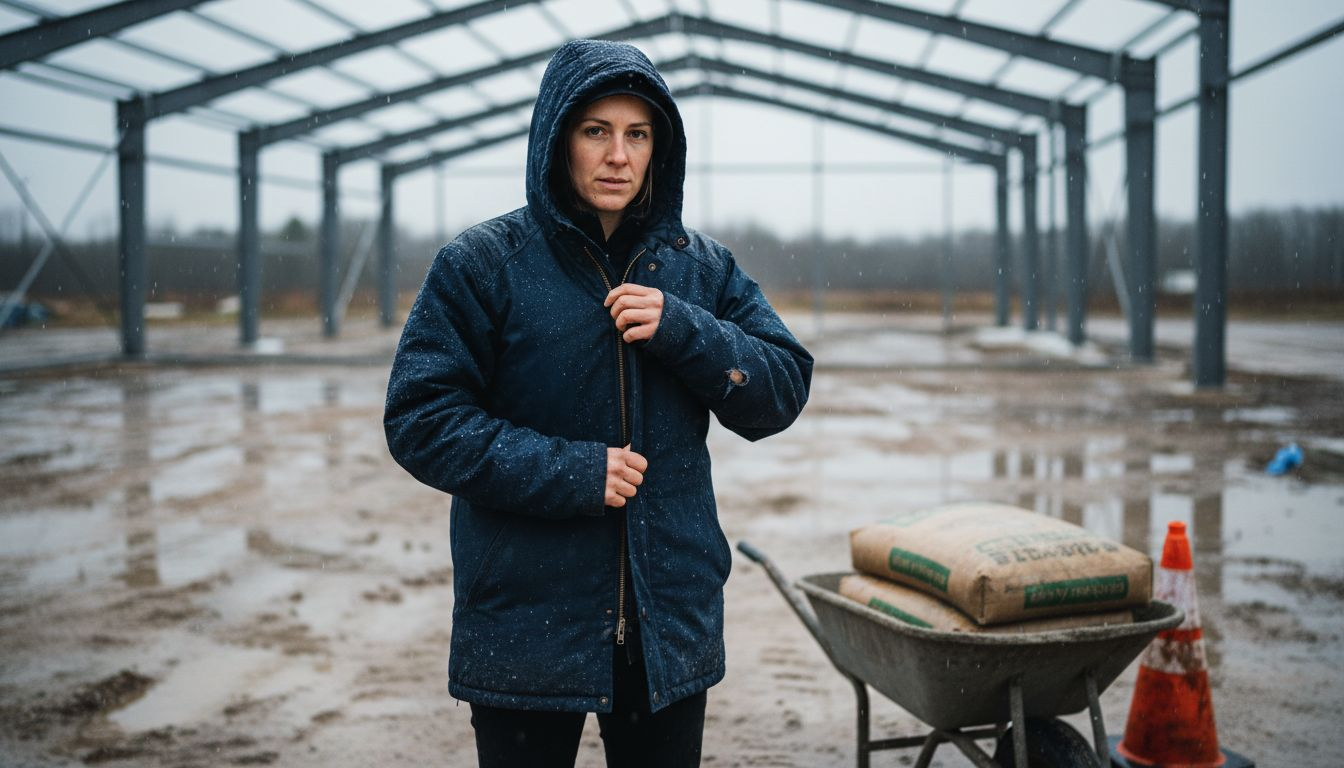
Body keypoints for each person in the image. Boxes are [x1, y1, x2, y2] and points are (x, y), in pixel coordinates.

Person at [384, 39, 813, 767]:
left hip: (664, 622)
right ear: (557, 138)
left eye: (637, 134)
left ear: (659, 148)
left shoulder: (701, 269)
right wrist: (573, 473)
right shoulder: (485, 265)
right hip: (525, 623)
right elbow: (421, 419)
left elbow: (780, 389)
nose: (619, 155)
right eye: (596, 131)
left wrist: (685, 330)